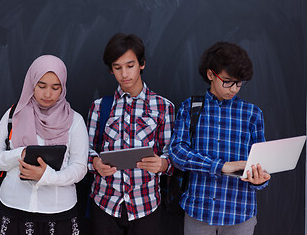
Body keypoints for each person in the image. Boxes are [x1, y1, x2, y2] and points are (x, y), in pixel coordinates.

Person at [169, 42, 271, 235]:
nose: (234, 89)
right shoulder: (190, 108)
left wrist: (260, 179)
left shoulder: (252, 114)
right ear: (210, 75)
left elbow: (261, 162)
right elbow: (177, 153)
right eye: (228, 81)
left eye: (239, 83)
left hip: (240, 213)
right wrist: (221, 166)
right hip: (199, 210)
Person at [0, 55, 88, 234]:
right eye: (41, 86)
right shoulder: (14, 114)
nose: (48, 94)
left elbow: (79, 168)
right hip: (13, 207)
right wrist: (21, 153)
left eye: (55, 87)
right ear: (32, 82)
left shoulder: (75, 121)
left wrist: (47, 176)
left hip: (58, 211)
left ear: (62, 88)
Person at [87, 33, 175, 235]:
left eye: (130, 65)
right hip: (105, 202)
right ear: (111, 70)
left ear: (141, 64)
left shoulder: (163, 107)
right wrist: (95, 164)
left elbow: (171, 154)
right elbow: (85, 151)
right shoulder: (100, 107)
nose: (124, 74)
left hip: (146, 203)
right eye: (117, 68)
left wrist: (162, 164)